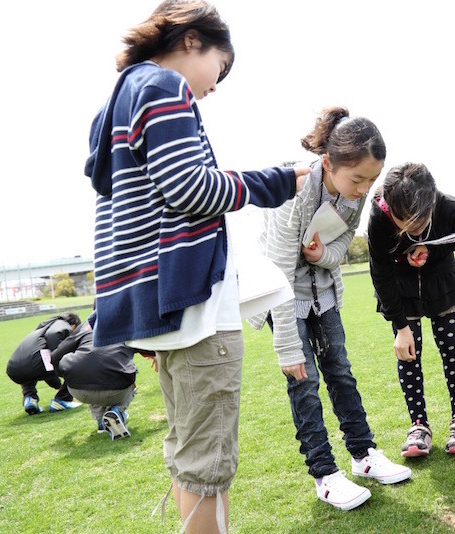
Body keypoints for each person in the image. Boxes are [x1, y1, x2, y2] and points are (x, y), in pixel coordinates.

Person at [83, 1, 309, 531]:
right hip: (194, 307)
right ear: (190, 40)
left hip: (159, 308)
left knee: (189, 458)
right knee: (208, 464)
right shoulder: (163, 88)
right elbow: (190, 187)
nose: (216, 84)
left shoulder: (116, 103)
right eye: (219, 66)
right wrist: (276, 181)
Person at [249, 106, 411, 511]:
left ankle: (364, 456)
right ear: (328, 163)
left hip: (324, 293)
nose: (364, 189)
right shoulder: (296, 190)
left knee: (340, 370)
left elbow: (340, 248)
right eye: (357, 178)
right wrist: (286, 345)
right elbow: (282, 270)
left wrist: (322, 255)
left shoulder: (355, 196)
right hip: (284, 296)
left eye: (372, 180)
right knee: (302, 382)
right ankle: (324, 475)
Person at [367, 162, 455, 457]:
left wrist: (428, 249)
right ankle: (418, 425)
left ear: (432, 199)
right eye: (405, 220)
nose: (413, 227)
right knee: (408, 353)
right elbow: (380, 272)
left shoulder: (451, 209)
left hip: (440, 278)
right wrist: (400, 328)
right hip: (401, 287)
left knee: (450, 346)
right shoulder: (379, 216)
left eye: (420, 219)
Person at [52, 313, 142, 440]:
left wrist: (64, 376)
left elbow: (56, 355)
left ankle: (101, 421)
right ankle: (117, 411)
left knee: (88, 372)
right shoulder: (125, 326)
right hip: (116, 389)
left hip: (78, 391)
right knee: (129, 371)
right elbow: (145, 346)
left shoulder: (84, 329)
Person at [6, 313, 83, 414]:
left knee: (29, 368)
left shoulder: (40, 330)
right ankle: (63, 399)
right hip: (35, 366)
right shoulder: (62, 325)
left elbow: (44, 363)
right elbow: (54, 337)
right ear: (73, 325)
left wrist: (58, 385)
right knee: (74, 364)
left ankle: (30, 398)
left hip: (13, 369)